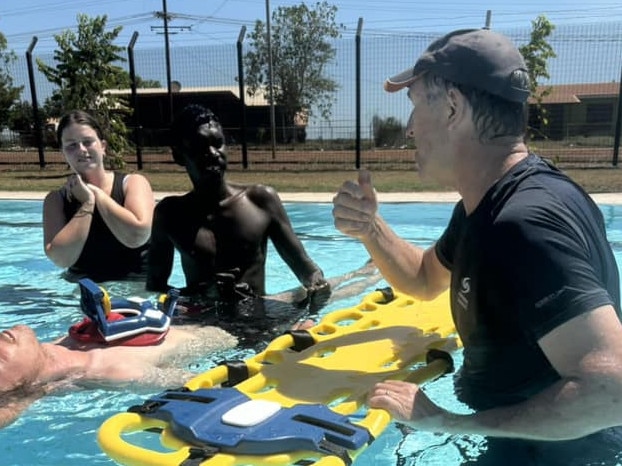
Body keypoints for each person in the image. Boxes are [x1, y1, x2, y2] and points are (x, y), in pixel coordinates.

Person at [332, 28, 622, 465]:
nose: (410, 129)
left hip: (546, 454)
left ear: (452, 107)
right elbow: (425, 278)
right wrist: (371, 229)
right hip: (520, 440)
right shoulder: (486, 206)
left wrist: (446, 423)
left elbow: (612, 390)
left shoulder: (522, 223)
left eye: (414, 107)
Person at [146, 104, 331, 314]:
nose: (213, 153)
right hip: (202, 326)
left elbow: (305, 268)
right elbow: (155, 288)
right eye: (199, 146)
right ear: (178, 155)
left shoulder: (261, 201)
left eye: (218, 143)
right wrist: (202, 294)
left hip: (259, 320)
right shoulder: (170, 214)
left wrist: (317, 283)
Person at [0, 322, 238, 430]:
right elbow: (207, 383)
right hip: (240, 331)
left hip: (191, 313)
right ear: (21, 387)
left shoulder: (58, 346)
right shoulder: (115, 371)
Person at [43, 110, 155, 282]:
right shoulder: (55, 200)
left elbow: (137, 236)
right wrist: (87, 204)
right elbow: (61, 259)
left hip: (137, 289)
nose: (81, 150)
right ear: (62, 153)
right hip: (84, 291)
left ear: (103, 146)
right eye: (71, 145)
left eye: (88, 142)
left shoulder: (133, 183)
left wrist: (95, 193)